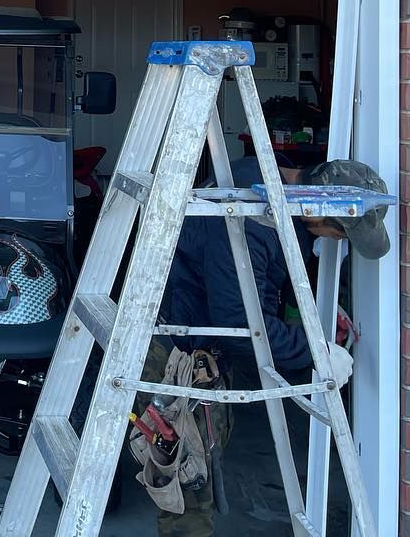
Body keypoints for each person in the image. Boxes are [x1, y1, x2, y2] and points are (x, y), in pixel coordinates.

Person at [135, 156, 391, 537]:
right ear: (319, 211)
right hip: (177, 353)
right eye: (339, 235)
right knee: (189, 484)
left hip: (197, 340)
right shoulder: (250, 220)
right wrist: (315, 353)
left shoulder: (269, 184)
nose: (334, 241)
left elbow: (264, 283)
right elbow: (240, 323)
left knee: (199, 471)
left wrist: (312, 314)